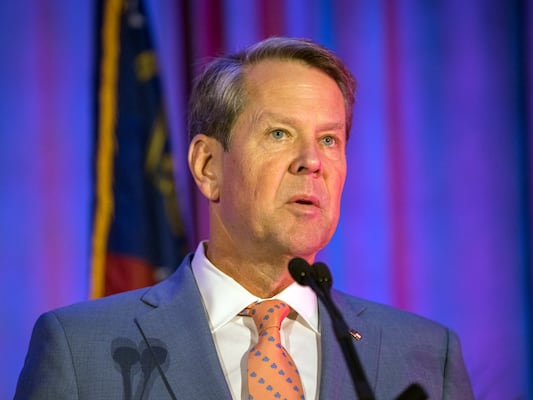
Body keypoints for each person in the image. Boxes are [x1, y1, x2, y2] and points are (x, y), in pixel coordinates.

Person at [15, 37, 474, 400]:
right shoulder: (82, 350)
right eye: (279, 133)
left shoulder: (426, 356)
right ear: (208, 166)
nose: (312, 162)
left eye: (330, 140)